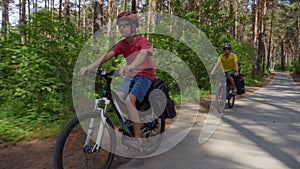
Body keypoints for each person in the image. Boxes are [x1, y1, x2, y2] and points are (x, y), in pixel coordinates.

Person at [80, 12, 155, 151]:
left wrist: (131, 66)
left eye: (125, 26)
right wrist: (89, 67)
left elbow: (143, 54)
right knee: (117, 98)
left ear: (133, 27)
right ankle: (133, 121)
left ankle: (138, 142)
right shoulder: (122, 44)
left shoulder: (142, 41)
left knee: (128, 102)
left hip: (145, 75)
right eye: (120, 26)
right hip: (131, 75)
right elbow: (107, 55)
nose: (121, 28)